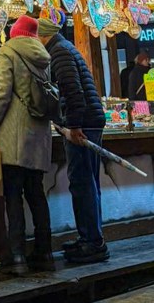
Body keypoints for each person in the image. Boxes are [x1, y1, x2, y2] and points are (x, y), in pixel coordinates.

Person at [0, 15, 54, 274]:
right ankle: (45, 253)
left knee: (13, 195)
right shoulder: (44, 56)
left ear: (15, 32)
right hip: (39, 133)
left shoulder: (8, 52)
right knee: (36, 193)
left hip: (15, 134)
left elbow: (1, 91)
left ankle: (17, 256)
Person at [37, 17, 108, 265]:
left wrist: (73, 125)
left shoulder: (59, 52)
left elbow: (72, 90)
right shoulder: (65, 48)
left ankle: (92, 242)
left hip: (84, 124)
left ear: (42, 36)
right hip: (89, 121)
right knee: (88, 182)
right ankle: (91, 237)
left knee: (82, 182)